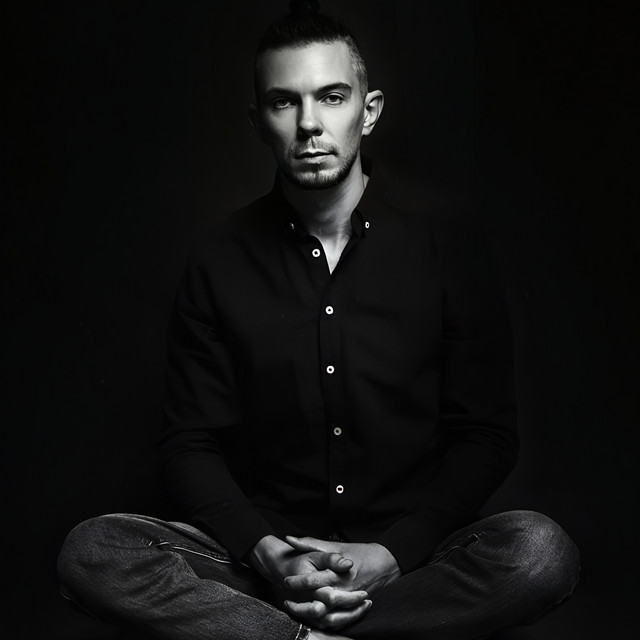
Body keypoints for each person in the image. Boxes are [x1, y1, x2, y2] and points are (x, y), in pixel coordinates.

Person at [57, 2, 580, 639]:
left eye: (332, 96)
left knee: (539, 552)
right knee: (95, 551)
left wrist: (391, 554)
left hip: (408, 565)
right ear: (258, 120)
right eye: (284, 102)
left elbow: (486, 435)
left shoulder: (449, 251)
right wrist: (268, 554)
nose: (309, 124)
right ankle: (304, 632)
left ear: (369, 109)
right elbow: (188, 443)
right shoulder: (218, 259)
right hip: (260, 569)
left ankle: (289, 634)